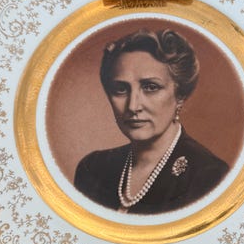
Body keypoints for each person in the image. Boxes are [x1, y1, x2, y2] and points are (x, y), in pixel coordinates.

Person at [74, 29, 229, 214]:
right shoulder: (93, 169)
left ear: (180, 95)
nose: (133, 106)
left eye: (150, 87)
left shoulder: (209, 176)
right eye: (121, 89)